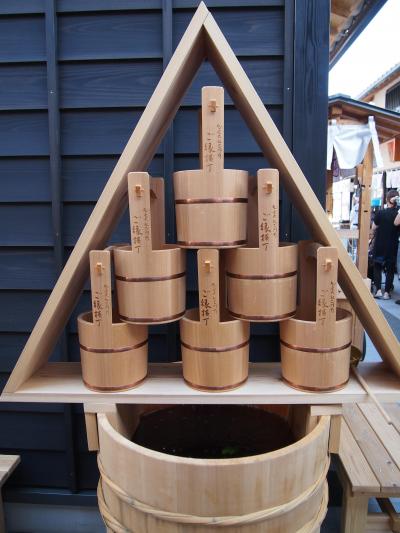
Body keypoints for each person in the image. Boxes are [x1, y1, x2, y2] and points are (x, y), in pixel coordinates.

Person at [372, 190, 400, 300]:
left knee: (377, 267)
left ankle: (378, 290)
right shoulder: (398, 214)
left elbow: (374, 227)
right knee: (390, 269)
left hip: (380, 243)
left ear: (387, 199)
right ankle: (387, 293)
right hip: (392, 245)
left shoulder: (380, 213)